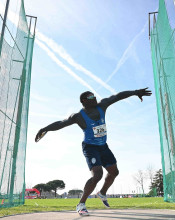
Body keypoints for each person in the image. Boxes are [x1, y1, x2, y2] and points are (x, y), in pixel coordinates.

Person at [35, 88, 152, 216]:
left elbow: (118, 96)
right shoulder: (78, 116)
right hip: (90, 147)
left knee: (114, 172)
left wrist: (135, 92)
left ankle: (102, 193)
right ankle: (81, 204)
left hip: (103, 146)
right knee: (97, 175)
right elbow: (61, 123)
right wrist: (45, 128)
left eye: (94, 96)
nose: (95, 98)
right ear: (84, 101)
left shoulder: (102, 105)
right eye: (91, 98)